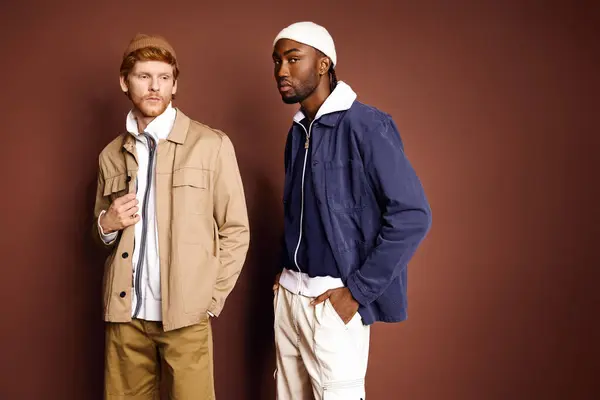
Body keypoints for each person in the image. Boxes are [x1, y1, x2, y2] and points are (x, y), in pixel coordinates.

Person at [271, 22, 432, 399]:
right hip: (290, 301)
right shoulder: (298, 132)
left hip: (333, 303)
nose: (281, 71)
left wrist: (357, 292)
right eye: (277, 61)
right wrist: (285, 270)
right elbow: (302, 212)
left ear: (324, 64)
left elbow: (412, 215)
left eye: (294, 59)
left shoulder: (366, 125)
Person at [92, 33, 250, 400]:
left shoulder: (210, 145)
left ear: (175, 84)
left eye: (164, 78)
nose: (154, 87)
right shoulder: (110, 155)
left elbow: (236, 229)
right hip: (125, 318)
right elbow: (99, 232)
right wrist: (105, 225)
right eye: (144, 76)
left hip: (185, 319)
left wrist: (209, 299)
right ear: (124, 81)